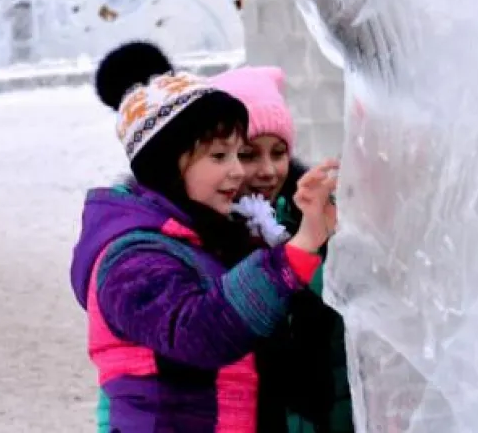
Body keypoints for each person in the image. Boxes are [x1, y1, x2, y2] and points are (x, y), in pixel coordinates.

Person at [69, 42, 338, 432]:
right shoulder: (131, 257)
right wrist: (296, 253)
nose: (237, 173)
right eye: (219, 157)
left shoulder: (199, 239)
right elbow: (201, 330)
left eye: (235, 154)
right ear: (168, 164)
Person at [208, 66, 354, 432]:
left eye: (279, 152)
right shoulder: (201, 241)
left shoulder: (314, 218)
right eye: (248, 154)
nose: (269, 170)